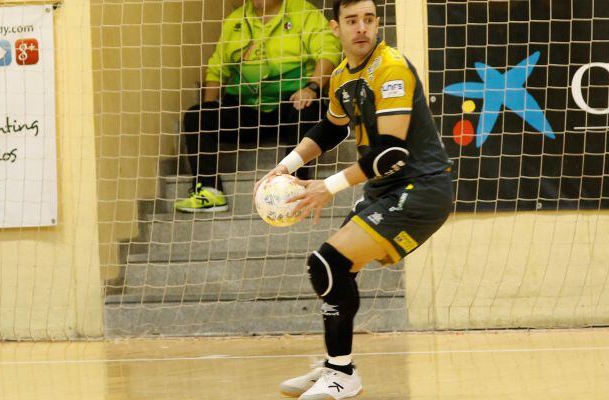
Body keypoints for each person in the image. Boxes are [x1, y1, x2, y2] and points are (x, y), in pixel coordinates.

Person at [256, 0, 453, 397]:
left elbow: (392, 153)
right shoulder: (343, 75)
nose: (362, 28)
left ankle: (342, 374)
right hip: (386, 189)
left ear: (378, 23)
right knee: (328, 270)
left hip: (422, 188)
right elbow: (331, 128)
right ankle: (335, 365)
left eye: (369, 19)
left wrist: (326, 187)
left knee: (327, 262)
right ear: (336, 28)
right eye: (352, 21)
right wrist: (285, 167)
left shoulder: (391, 68)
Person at [175, 0, 342, 212]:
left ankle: (292, 187)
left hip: (290, 104)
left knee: (310, 108)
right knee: (196, 117)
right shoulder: (235, 20)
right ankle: (209, 192)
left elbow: (329, 51)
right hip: (245, 109)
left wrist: (312, 87)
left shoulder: (303, 11)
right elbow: (216, 69)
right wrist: (209, 106)